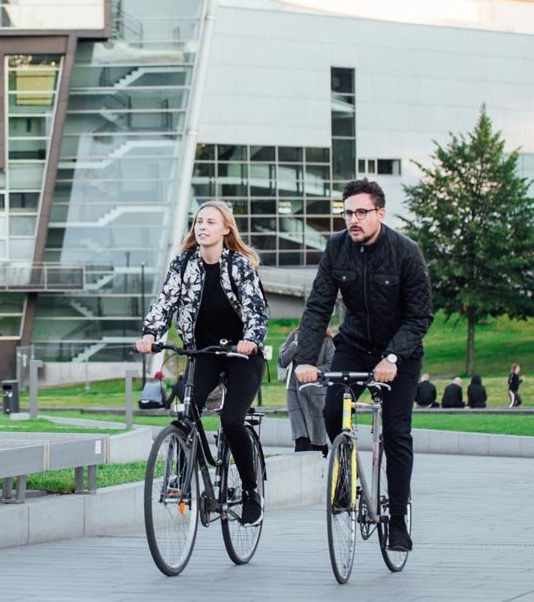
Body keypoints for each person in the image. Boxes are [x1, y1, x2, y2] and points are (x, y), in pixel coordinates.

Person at [294, 178, 434, 553]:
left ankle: (399, 520)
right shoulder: (336, 248)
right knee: (331, 409)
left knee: (396, 432)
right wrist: (306, 359)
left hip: (398, 351)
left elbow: (420, 316)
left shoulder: (406, 252)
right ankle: (345, 481)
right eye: (347, 213)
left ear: (380, 213)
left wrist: (392, 357)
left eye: (361, 212)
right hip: (354, 344)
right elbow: (318, 306)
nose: (352, 220)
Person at [138, 200, 270, 525]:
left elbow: (256, 307)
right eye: (199, 222)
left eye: (210, 222)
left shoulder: (239, 265)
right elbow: (165, 301)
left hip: (242, 355)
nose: (202, 227)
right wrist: (150, 333)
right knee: (187, 411)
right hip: (204, 353)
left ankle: (251, 491)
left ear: (226, 229)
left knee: (231, 419)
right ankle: (181, 480)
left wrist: (251, 338)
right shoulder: (183, 263)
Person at [279, 325, 335, 453]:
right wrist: (294, 346)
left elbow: (332, 366)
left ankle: (319, 465)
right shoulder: (295, 336)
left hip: (317, 392)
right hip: (294, 391)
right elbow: (282, 361)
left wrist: (315, 370)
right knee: (301, 437)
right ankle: (301, 468)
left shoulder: (326, 341)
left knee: (317, 435)